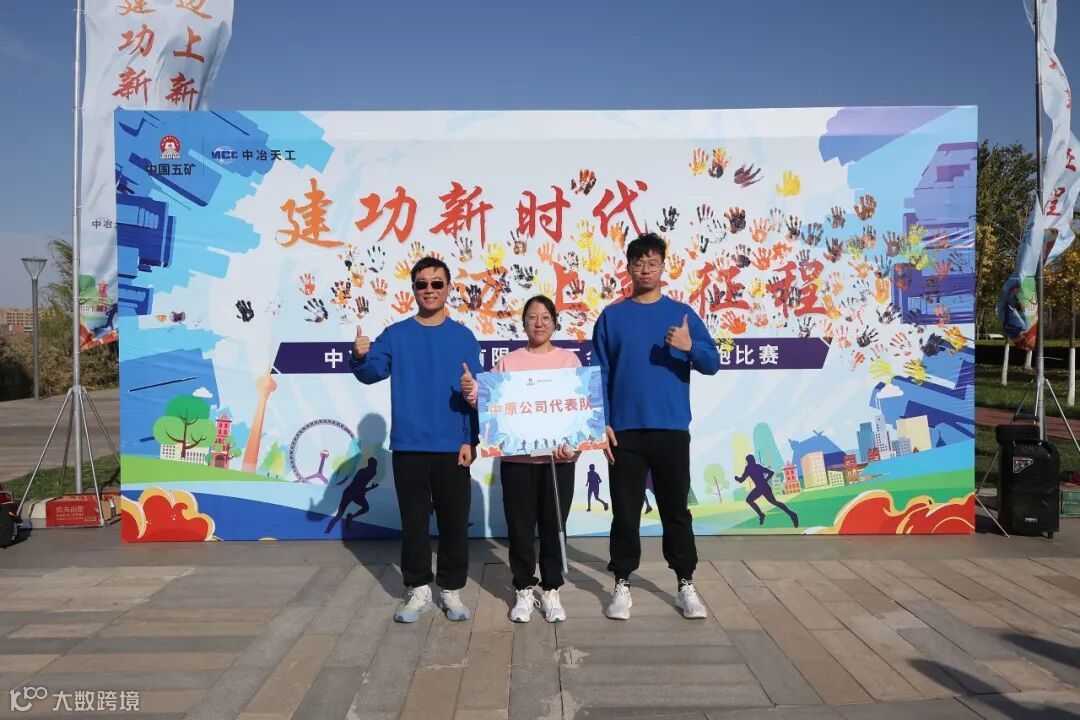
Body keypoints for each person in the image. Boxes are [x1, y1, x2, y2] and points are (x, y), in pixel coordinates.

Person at [592, 232, 720, 620]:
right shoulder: (612, 317)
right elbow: (599, 375)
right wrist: (602, 423)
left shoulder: (682, 315)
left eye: (652, 263)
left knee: (675, 510)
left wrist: (689, 346)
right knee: (625, 513)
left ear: (664, 267)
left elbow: (712, 363)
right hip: (624, 432)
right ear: (628, 268)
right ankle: (622, 583)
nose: (645, 269)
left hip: (670, 428)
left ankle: (685, 583)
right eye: (638, 263)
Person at [351, 257, 481, 623]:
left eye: (437, 283)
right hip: (409, 446)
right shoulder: (396, 335)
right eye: (422, 284)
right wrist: (359, 356)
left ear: (448, 288)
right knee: (414, 523)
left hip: (453, 446)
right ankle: (419, 588)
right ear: (413, 290)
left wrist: (471, 438)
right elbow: (372, 372)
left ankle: (451, 589)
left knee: (454, 523)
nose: (429, 290)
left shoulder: (463, 337)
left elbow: (477, 393)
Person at [464, 295, 579, 623]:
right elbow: (488, 402)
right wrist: (471, 389)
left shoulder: (568, 361)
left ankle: (552, 588)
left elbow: (581, 411)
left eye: (545, 317)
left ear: (555, 322)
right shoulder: (509, 363)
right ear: (524, 323)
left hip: (558, 463)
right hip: (517, 462)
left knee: (554, 526)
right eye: (532, 317)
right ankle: (524, 588)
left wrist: (574, 448)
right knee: (520, 527)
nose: (538, 323)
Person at [735, 454, 799, 528]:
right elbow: (771, 472)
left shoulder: (749, 468)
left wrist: (736, 478)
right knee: (774, 502)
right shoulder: (758, 466)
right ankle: (791, 514)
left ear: (748, 461)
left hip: (760, 488)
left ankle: (761, 514)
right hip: (764, 487)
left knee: (750, 500)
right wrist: (765, 480)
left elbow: (741, 480)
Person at [325, 457, 379, 534]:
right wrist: (370, 488)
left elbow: (362, 488)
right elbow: (358, 487)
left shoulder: (373, 472)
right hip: (349, 493)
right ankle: (327, 531)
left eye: (375, 465)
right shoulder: (362, 472)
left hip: (358, 494)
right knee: (339, 515)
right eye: (374, 465)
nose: (375, 467)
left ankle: (351, 517)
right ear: (369, 465)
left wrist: (370, 488)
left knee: (366, 508)